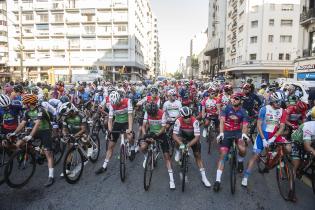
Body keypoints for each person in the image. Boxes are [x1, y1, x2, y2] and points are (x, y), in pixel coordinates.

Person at [241, 92, 289, 187]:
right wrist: (263, 139)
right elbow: (258, 125)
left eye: (280, 102)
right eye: (276, 102)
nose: (279, 104)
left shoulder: (283, 111)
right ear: (272, 101)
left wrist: (274, 137)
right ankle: (245, 177)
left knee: (288, 147)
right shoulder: (264, 109)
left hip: (275, 134)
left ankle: (275, 155)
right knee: (255, 157)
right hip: (264, 134)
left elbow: (282, 127)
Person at [9, 94, 55, 187]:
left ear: (29, 103)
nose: (24, 105)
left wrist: (30, 136)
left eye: (25, 103)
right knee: (20, 143)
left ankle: (51, 176)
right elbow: (22, 123)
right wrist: (14, 133)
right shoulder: (28, 111)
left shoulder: (40, 110)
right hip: (36, 130)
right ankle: (33, 152)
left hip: (46, 130)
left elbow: (37, 124)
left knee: (48, 154)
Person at [213, 92, 249, 192]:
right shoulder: (226, 109)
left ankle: (240, 161)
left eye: (236, 98)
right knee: (223, 155)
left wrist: (244, 134)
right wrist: (221, 133)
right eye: (232, 98)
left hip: (238, 132)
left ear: (240, 100)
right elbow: (222, 121)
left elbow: (245, 125)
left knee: (243, 149)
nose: (234, 100)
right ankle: (217, 181)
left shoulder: (243, 111)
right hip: (227, 132)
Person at [95, 91, 134, 174]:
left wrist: (130, 129)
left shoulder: (128, 101)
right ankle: (104, 166)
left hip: (126, 122)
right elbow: (110, 120)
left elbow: (130, 116)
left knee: (130, 136)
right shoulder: (112, 105)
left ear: (119, 98)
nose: (116, 105)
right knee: (110, 146)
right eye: (114, 104)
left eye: (117, 104)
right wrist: (110, 131)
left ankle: (132, 147)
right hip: (117, 123)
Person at [173, 106, 211, 188]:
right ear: (182, 117)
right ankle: (178, 152)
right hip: (182, 136)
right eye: (186, 117)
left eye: (189, 116)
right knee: (177, 140)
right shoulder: (178, 121)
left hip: (193, 138)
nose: (188, 118)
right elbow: (174, 135)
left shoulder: (195, 121)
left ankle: (204, 177)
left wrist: (187, 146)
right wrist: (181, 144)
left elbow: (197, 137)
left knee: (197, 156)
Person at [140, 102, 175, 189]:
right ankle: (146, 158)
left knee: (167, 156)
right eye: (150, 114)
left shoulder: (162, 113)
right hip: (151, 133)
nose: (152, 115)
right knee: (143, 147)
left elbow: (163, 128)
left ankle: (171, 179)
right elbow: (144, 126)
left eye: (154, 114)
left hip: (161, 133)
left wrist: (156, 136)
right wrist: (145, 135)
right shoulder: (147, 113)